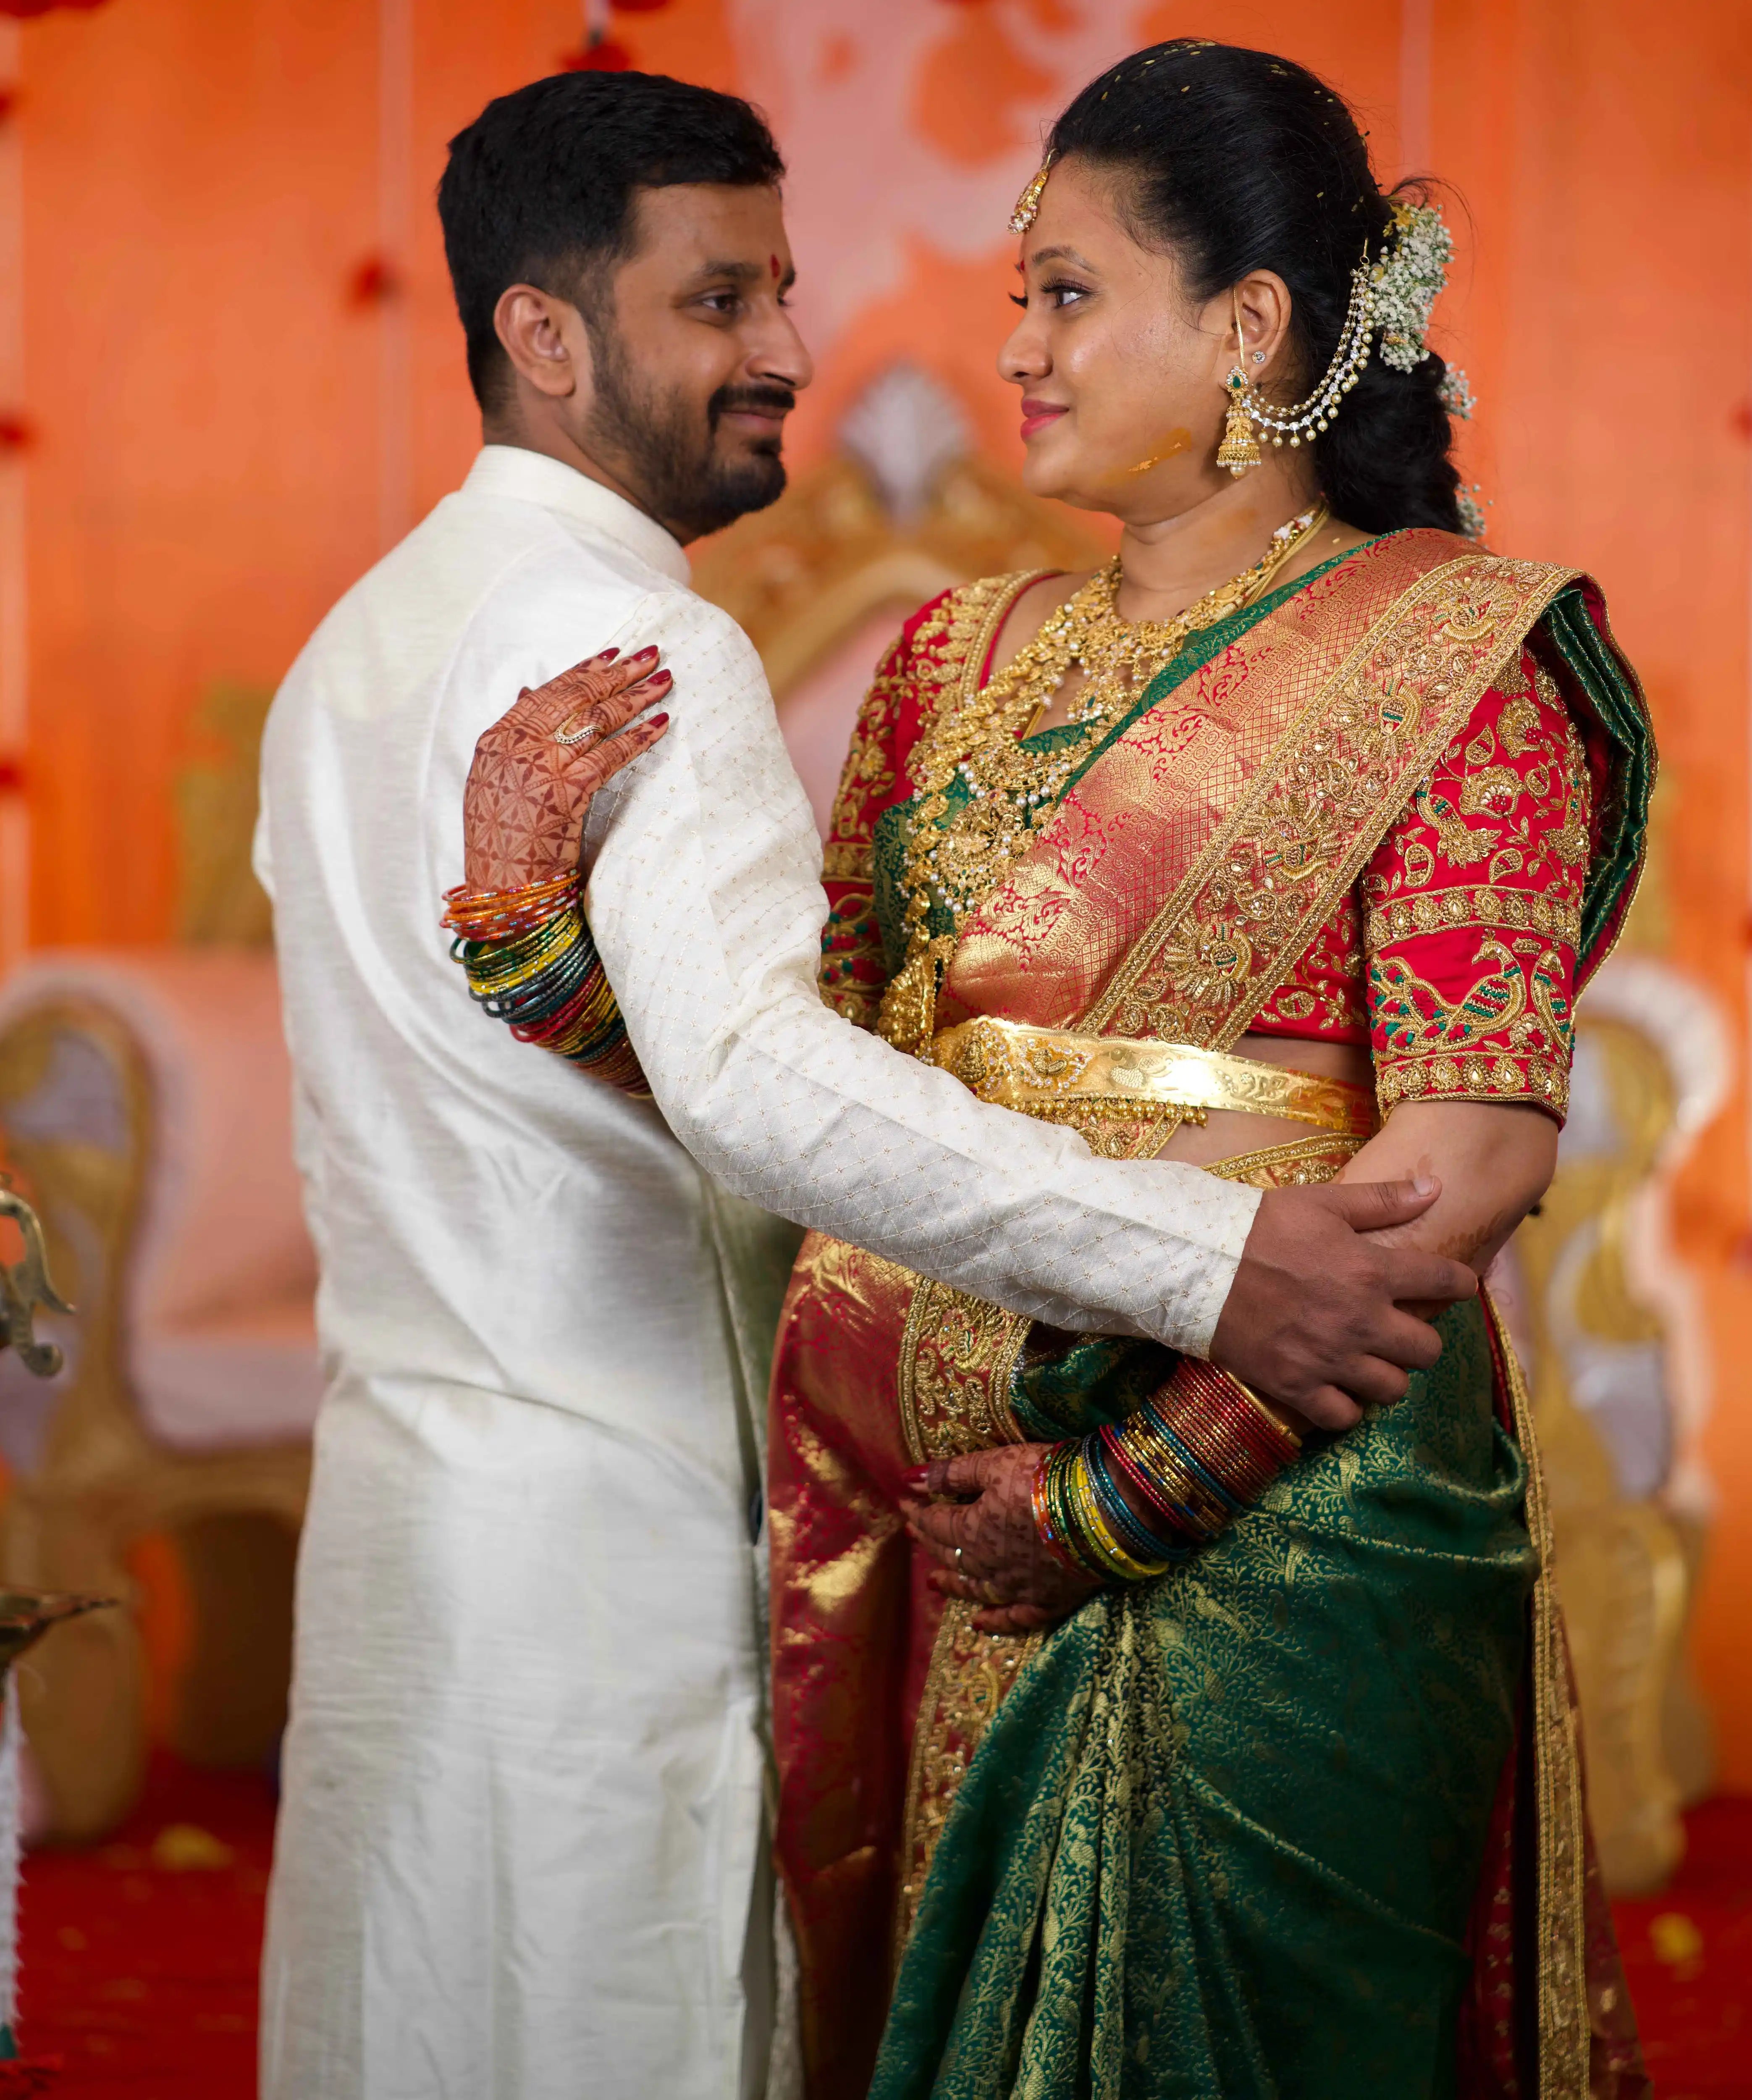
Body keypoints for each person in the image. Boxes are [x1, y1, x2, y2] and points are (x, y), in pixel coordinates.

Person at [255, 65, 1468, 2100]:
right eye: (720, 302)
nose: (792, 354)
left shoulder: (356, 651)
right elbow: (758, 1084)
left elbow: (571, 1080)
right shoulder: (647, 646)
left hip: (404, 1526)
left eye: (784, 290)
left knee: (411, 2021)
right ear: (542, 337)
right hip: (625, 1533)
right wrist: (1210, 1259)